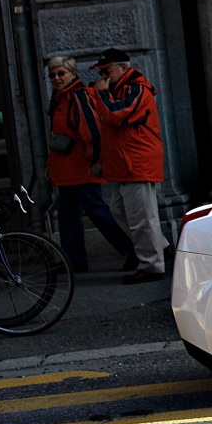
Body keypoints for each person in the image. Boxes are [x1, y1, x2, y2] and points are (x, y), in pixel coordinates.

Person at [44, 56, 135, 274]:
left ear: (73, 73)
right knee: (69, 218)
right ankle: (74, 261)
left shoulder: (78, 96)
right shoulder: (61, 97)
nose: (56, 78)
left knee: (97, 213)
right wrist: (51, 164)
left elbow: (92, 131)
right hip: (68, 167)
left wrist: (96, 160)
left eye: (60, 73)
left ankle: (131, 250)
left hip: (81, 167)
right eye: (52, 75)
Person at [91, 48, 171, 284]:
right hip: (125, 163)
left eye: (107, 71)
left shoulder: (137, 88)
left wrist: (103, 95)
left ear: (122, 68)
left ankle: (152, 265)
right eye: (102, 72)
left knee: (142, 217)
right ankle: (160, 248)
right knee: (120, 211)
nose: (104, 76)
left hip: (136, 162)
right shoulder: (120, 88)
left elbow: (117, 116)